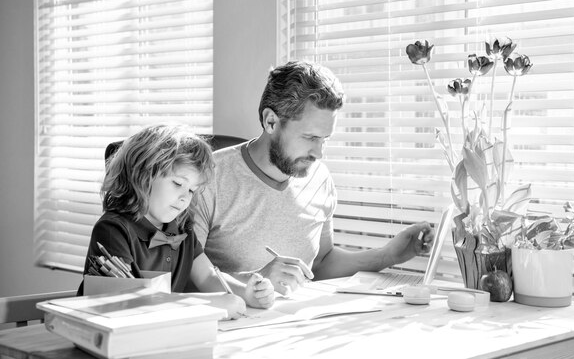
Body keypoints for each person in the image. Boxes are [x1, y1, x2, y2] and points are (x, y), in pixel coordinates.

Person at [195, 61, 434, 295]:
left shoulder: (319, 178)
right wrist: (256, 281)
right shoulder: (207, 178)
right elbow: (181, 275)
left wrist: (389, 255)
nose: (318, 153)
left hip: (292, 323)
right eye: (310, 138)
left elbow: (320, 264)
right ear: (271, 122)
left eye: (324, 140)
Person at [77, 124, 275, 318]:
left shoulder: (181, 229)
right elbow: (130, 304)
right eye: (178, 183)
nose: (184, 198)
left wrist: (245, 293)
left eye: (191, 190)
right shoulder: (113, 230)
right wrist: (208, 304)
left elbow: (207, 276)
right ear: (143, 174)